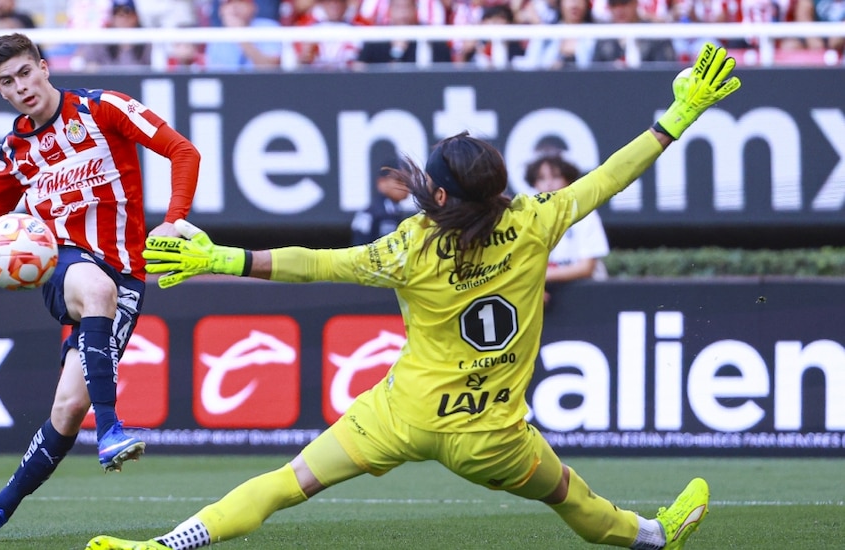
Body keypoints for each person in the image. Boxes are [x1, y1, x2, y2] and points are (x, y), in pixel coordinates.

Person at [88, 42, 741, 550]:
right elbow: (608, 177)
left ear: (437, 196)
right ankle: (654, 535)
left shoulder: (410, 248)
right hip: (492, 435)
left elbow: (314, 265)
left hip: (403, 416)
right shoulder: (538, 219)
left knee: (287, 484)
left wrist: (223, 259)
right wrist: (677, 116)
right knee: (572, 498)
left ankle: (167, 543)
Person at [0, 32, 201, 541]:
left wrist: (174, 218)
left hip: (127, 275)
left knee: (68, 410)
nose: (21, 87)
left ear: (44, 68)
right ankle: (113, 430)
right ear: (0, 92)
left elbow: (183, 152)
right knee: (93, 288)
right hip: (63, 266)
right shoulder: (16, 149)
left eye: (26, 73)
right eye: (7, 82)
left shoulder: (104, 109)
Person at [523, 153, 609, 304]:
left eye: (555, 177)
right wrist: (531, 285)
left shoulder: (585, 212)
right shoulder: (526, 216)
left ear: (568, 180)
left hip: (588, 297)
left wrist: (537, 277)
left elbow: (586, 268)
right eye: (541, 179)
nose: (548, 184)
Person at [70, 0, 152, 71]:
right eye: (116, 12)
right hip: (107, 86)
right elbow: (85, 63)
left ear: (135, 16)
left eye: (127, 11)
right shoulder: (102, 41)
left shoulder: (146, 42)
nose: (121, 17)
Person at [592, 0, 677, 66]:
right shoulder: (604, 36)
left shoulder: (655, 33)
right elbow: (594, 72)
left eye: (624, 3)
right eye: (614, 5)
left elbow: (665, 71)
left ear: (636, 3)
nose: (619, 10)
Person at [204, 0, 283, 70]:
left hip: (262, 84)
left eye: (240, 2)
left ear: (253, 7)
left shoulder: (268, 27)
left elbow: (270, 69)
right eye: (229, 3)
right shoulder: (217, 36)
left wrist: (240, 36)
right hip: (229, 85)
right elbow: (215, 74)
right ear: (221, 10)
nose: (235, 7)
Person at [350, 157, 410, 245]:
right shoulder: (370, 214)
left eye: (409, 181)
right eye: (399, 180)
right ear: (382, 182)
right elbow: (358, 248)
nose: (405, 185)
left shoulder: (399, 213)